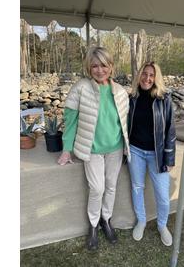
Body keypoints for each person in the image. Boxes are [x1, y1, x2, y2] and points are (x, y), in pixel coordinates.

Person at [57, 47, 130, 251]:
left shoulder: (121, 92)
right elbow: (70, 121)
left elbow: (125, 122)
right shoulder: (80, 88)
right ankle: (93, 225)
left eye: (104, 65)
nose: (99, 70)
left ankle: (106, 220)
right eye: (95, 66)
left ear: (111, 67)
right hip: (92, 150)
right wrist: (66, 149)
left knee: (111, 186)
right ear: (89, 68)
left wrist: (126, 146)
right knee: (97, 188)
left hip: (115, 149)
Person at [127, 61, 176, 246]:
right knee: (137, 188)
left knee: (163, 195)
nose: (147, 78)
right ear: (139, 75)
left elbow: (170, 130)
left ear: (156, 78)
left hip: (157, 154)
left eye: (151, 75)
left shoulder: (164, 99)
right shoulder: (132, 97)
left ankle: (162, 225)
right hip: (135, 151)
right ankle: (141, 220)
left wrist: (169, 157)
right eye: (144, 74)